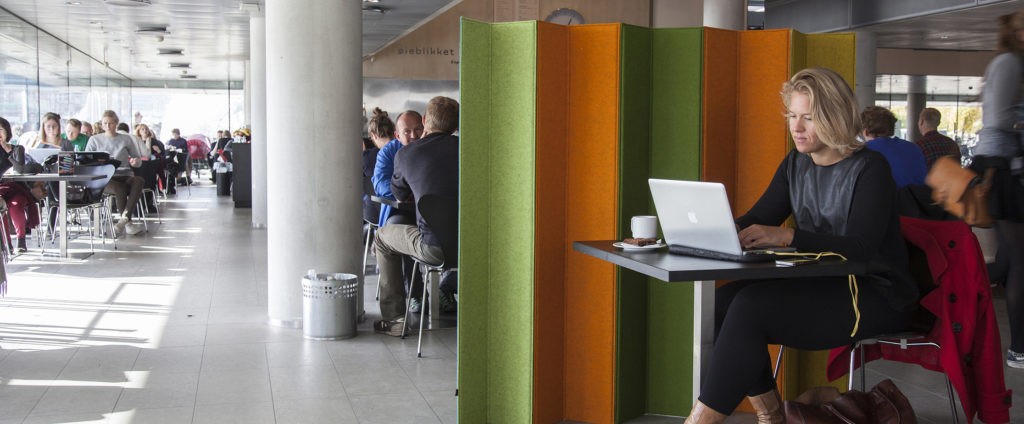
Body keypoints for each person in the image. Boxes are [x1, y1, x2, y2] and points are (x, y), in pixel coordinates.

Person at [683, 68, 917, 423]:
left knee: (749, 307)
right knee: (725, 301)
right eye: (793, 116)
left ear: (835, 117)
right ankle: (771, 415)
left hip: (873, 294)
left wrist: (789, 236)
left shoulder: (871, 167)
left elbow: (861, 246)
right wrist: (708, 230)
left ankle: (701, 420)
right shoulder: (795, 163)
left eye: (808, 118)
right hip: (824, 284)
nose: (797, 126)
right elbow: (759, 216)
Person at [374, 96, 459, 336]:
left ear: (425, 121)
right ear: (457, 125)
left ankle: (394, 320)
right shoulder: (471, 151)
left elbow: (398, 193)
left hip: (433, 247)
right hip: (474, 245)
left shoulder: (407, 154)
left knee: (382, 237)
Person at [971, 9, 1024, 370]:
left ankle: (949, 296)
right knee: (1020, 261)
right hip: (1004, 171)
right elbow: (998, 120)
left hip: (1010, 169)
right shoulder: (1008, 63)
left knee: (1009, 259)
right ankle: (1019, 349)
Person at [371, 109, 427, 312]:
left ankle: (446, 289)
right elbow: (380, 184)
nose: (414, 135)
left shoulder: (432, 148)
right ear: (397, 135)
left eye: (418, 129)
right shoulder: (389, 152)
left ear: (425, 127)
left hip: (432, 214)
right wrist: (406, 191)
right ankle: (416, 294)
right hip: (402, 211)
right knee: (399, 227)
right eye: (407, 131)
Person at [86, 110, 145, 236]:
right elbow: (86, 161)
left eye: (111, 123)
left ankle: (124, 219)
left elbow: (138, 159)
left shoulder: (126, 139)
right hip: (104, 177)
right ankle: (128, 223)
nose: (108, 126)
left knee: (139, 180)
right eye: (105, 123)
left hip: (125, 174)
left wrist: (135, 162)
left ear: (116, 123)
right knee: (120, 187)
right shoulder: (94, 140)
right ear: (102, 124)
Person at [860, 106, 928, 188]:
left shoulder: (864, 152)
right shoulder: (914, 148)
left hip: (887, 200)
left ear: (866, 132)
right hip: (919, 199)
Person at [0, 117, 40, 252]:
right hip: (2, 189)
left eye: (0, 130)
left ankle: (21, 240)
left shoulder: (18, 149)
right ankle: (7, 243)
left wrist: (6, 151)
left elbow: (20, 169)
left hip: (18, 189)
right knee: (1, 207)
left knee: (16, 205)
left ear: (7, 132)